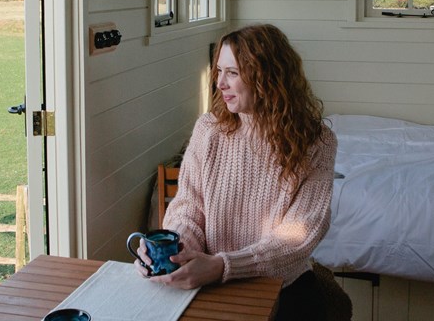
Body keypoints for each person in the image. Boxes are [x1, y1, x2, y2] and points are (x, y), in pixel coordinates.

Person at [135, 23, 338, 321]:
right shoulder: (209, 130)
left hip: (283, 289)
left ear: (268, 76)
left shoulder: (317, 143)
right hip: (209, 283)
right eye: (218, 71)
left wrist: (222, 265)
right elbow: (188, 207)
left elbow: (298, 236)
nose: (219, 83)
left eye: (232, 72)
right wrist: (177, 250)